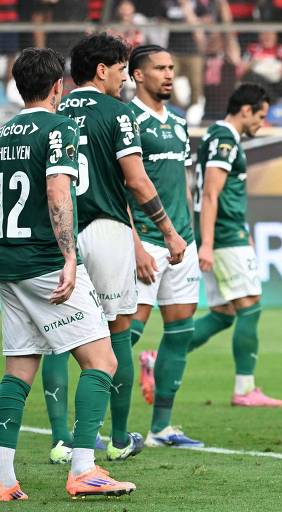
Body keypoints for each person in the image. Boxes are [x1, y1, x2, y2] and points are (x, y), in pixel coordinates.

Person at [42, 32, 187, 465]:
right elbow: (137, 182)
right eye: (122, 69)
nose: (125, 78)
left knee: (56, 338)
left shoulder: (54, 110)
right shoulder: (120, 113)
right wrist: (169, 230)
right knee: (117, 334)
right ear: (102, 70)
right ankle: (121, 438)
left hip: (58, 233)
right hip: (106, 231)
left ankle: (62, 439)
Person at [0, 47, 135, 501]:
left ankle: (2, 477)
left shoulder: (3, 132)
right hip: (43, 261)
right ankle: (83, 469)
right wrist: (70, 257)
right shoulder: (58, 127)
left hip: (8, 266)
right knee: (103, 361)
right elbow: (59, 190)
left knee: (18, 368)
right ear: (59, 85)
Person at [124, 44, 204, 448]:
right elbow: (121, 188)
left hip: (181, 242)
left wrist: (192, 237)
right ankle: (110, 430)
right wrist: (135, 244)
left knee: (180, 332)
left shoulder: (178, 121)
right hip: (147, 241)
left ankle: (161, 428)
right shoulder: (128, 120)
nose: (169, 74)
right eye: (159, 68)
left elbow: (185, 185)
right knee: (127, 335)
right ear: (138, 75)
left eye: (172, 67)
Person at [190, 83, 282, 408]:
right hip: (223, 235)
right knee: (250, 305)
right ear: (246, 110)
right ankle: (245, 389)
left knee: (224, 312)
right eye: (261, 115)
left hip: (229, 232)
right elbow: (210, 194)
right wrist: (208, 243)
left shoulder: (221, 137)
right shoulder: (225, 138)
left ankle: (157, 357)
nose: (262, 123)